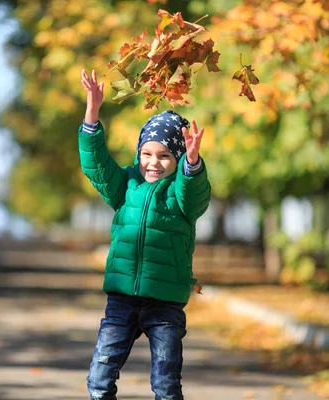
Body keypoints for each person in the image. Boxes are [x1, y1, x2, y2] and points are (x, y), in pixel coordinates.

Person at [79, 69, 211, 400]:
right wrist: (92, 112)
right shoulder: (125, 186)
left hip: (165, 304)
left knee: (166, 386)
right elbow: (95, 164)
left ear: (176, 158)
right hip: (122, 299)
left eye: (165, 155)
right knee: (98, 380)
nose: (154, 162)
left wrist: (193, 162)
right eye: (147, 154)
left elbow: (195, 193)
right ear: (138, 154)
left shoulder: (180, 195)